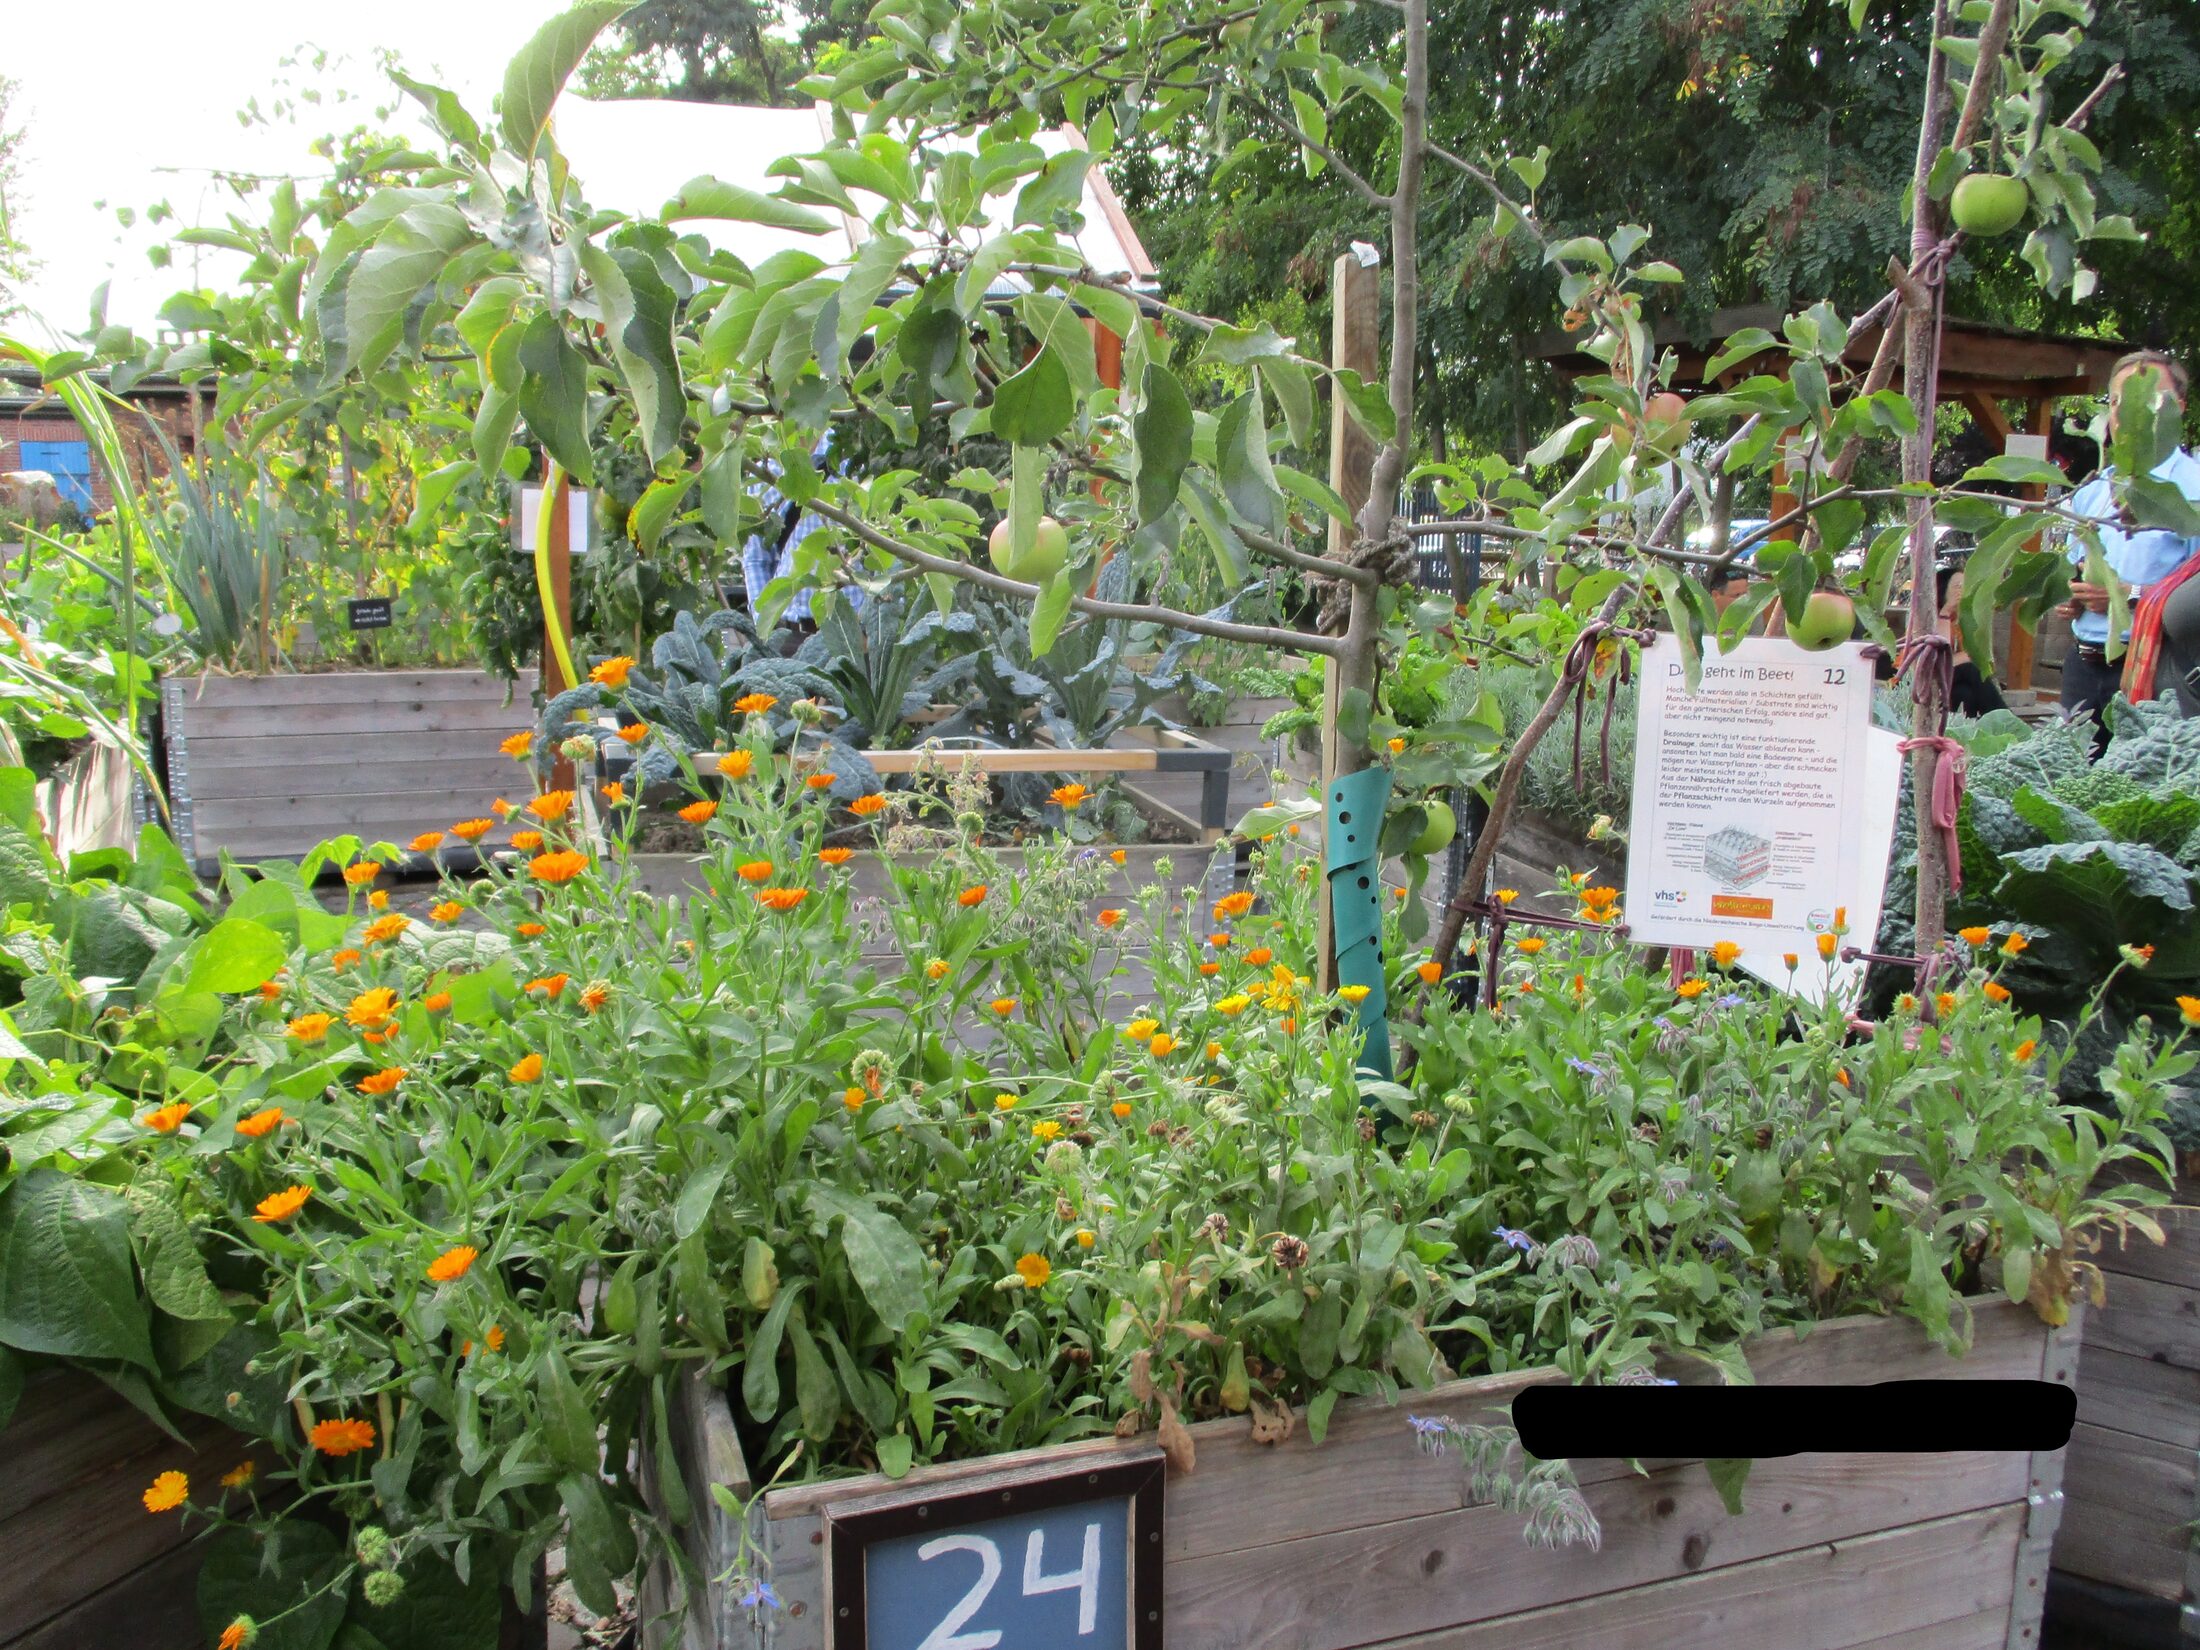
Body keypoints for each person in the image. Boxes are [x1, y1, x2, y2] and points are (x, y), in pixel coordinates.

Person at [2059, 351, 2200, 743]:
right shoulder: (2091, 493)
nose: (2128, 410)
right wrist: (2071, 596)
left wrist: (2129, 597)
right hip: (2083, 665)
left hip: (2157, 670)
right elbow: (2077, 571)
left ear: (2179, 408)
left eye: (2148, 397)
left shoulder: (2194, 492)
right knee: (2067, 783)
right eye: (2119, 400)